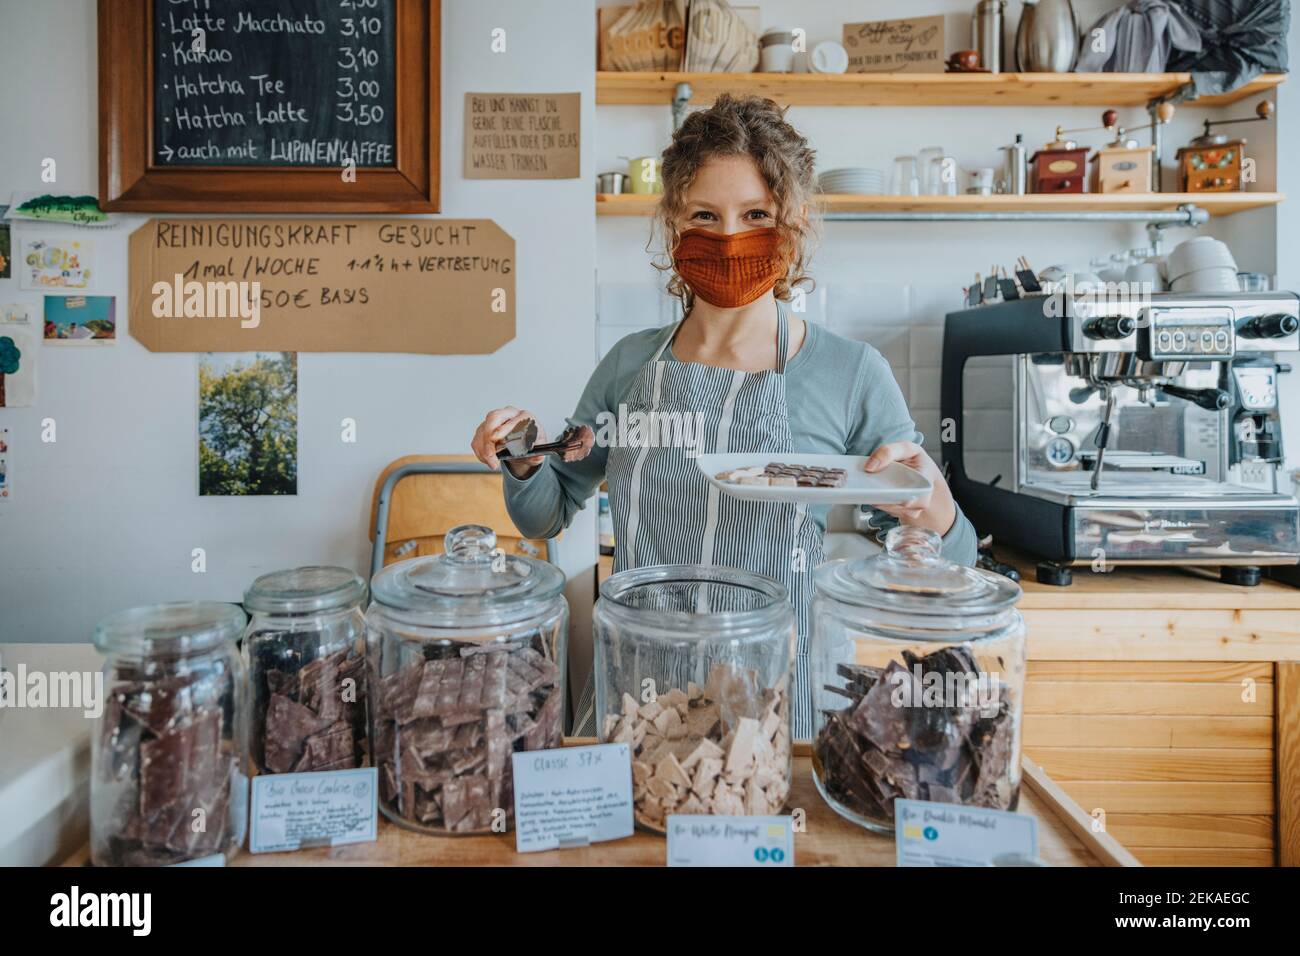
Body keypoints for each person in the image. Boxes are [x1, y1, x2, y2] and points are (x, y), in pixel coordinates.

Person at [472, 94, 977, 736]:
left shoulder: (850, 373)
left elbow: (954, 564)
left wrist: (929, 500)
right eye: (705, 215)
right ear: (674, 226)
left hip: (777, 700)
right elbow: (550, 507)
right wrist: (520, 459)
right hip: (641, 693)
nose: (730, 238)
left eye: (755, 214)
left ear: (789, 227)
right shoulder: (629, 364)